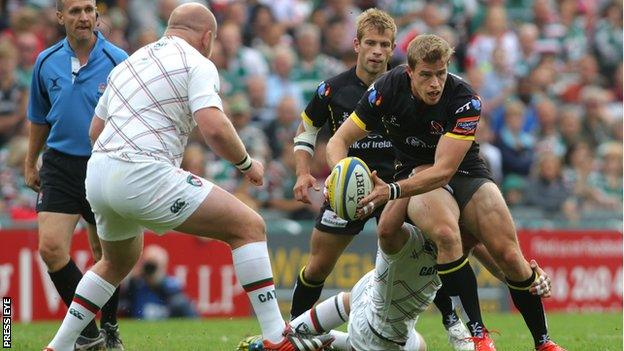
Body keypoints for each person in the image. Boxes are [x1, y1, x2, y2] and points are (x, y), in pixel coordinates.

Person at [42, 4, 332, 351]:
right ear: (207, 37)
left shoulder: (131, 62)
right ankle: (275, 338)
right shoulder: (198, 62)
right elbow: (213, 125)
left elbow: (95, 129)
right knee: (249, 226)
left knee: (114, 263)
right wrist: (246, 165)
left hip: (99, 173)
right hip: (142, 171)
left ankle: (58, 347)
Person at [326, 34, 566, 351]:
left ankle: (544, 343)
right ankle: (472, 333)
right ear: (409, 71)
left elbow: (444, 171)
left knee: (510, 256)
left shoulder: (465, 99)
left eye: (441, 73)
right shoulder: (385, 91)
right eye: (426, 74)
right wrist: (339, 174)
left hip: (461, 169)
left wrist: (392, 192)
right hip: (413, 171)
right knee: (443, 233)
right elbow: (336, 142)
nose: (435, 83)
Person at [239, 225, 553, 351]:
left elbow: (495, 260)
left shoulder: (454, 234)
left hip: (374, 293)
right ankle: (290, 343)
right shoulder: (410, 234)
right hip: (380, 330)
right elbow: (388, 228)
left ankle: (284, 335)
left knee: (416, 344)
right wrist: (395, 186)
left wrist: (526, 277)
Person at [25, 1, 128, 349]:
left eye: (88, 9)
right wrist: (29, 162)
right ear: (59, 17)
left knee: (106, 256)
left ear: (97, 15)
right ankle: (87, 334)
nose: (83, 17)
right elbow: (39, 117)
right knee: (51, 248)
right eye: (74, 11)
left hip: (104, 164)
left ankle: (110, 328)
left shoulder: (119, 62)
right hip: (59, 165)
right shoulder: (45, 61)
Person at [118, 245, 198, 320]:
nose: (150, 269)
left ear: (163, 267)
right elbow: (119, 303)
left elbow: (192, 317)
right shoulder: (135, 285)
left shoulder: (172, 287)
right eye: (148, 264)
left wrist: (159, 282)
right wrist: (132, 275)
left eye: (154, 265)